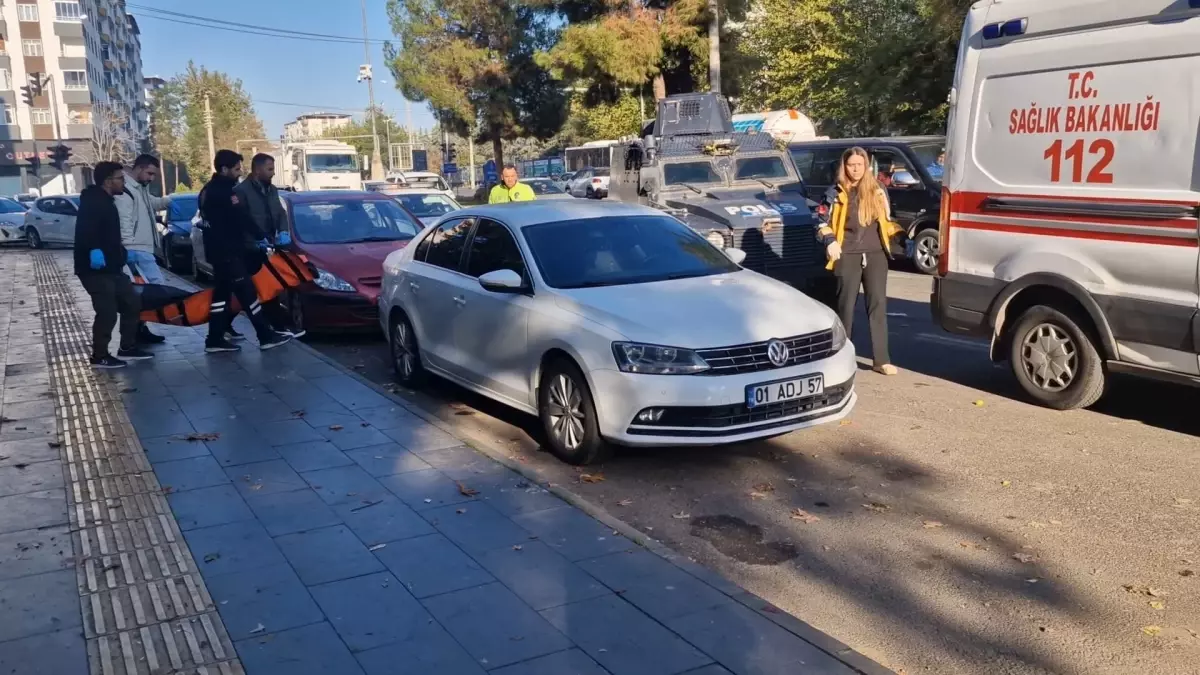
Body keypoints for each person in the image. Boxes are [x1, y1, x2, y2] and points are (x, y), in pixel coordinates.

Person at [816, 146, 902, 376]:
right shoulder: (835, 192)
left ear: (867, 166)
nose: (855, 169)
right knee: (845, 306)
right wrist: (830, 241)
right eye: (851, 165)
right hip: (847, 254)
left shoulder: (878, 189)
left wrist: (898, 237)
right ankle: (842, 358)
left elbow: (886, 219)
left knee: (877, 305)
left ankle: (881, 360)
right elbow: (820, 220)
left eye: (859, 165)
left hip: (875, 254)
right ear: (844, 167)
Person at [198, 150, 291, 353]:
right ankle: (265, 337)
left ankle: (214, 338)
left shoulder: (210, 190)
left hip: (218, 252)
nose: (239, 173)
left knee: (221, 296)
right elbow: (242, 218)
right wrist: (260, 236)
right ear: (224, 169)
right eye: (237, 169)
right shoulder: (226, 192)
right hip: (229, 252)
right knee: (248, 294)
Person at [74, 162, 154, 368]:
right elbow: (85, 231)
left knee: (132, 303)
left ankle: (127, 346)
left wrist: (121, 254)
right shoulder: (93, 202)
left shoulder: (108, 201)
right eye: (120, 178)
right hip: (95, 270)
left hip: (113, 267)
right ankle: (99, 355)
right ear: (108, 181)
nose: (123, 182)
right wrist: (94, 250)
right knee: (107, 311)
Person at [234, 153, 304, 338]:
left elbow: (280, 213)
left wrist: (283, 231)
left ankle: (276, 326)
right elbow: (241, 221)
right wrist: (254, 242)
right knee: (254, 290)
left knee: (265, 288)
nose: (273, 173)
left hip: (268, 246)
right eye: (270, 169)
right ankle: (274, 327)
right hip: (249, 249)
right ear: (257, 170)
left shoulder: (271, 190)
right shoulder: (242, 191)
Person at [115, 154, 172, 345]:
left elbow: (152, 203)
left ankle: (140, 329)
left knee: (145, 292)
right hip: (135, 249)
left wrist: (170, 200)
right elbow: (124, 220)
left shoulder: (139, 188)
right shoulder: (126, 190)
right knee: (150, 290)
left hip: (141, 248)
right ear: (138, 168)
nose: (151, 178)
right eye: (149, 173)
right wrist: (128, 248)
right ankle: (136, 332)